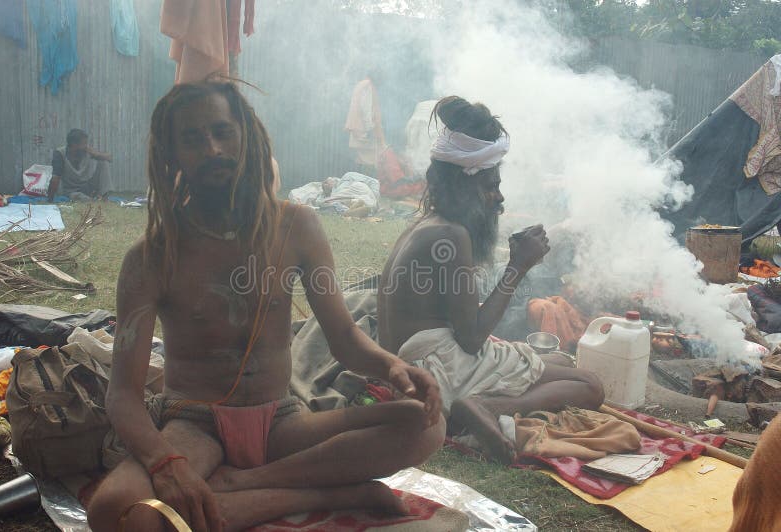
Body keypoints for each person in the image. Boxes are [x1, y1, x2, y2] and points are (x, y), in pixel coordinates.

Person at [86, 80, 444, 532]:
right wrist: (165, 464)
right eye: (193, 139)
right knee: (112, 514)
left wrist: (392, 367)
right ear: (172, 154)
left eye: (222, 131)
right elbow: (123, 395)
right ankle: (329, 493)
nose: (213, 148)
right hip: (195, 425)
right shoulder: (151, 257)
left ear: (246, 136)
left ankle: (245, 484)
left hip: (282, 421)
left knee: (425, 423)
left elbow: (345, 338)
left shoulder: (297, 226)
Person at [377, 96, 604, 464]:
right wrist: (519, 266)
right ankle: (482, 405)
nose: (498, 198)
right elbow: (470, 339)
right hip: (437, 372)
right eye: (490, 186)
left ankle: (479, 403)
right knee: (589, 384)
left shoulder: (426, 226)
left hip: (412, 371)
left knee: (558, 367)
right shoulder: (452, 236)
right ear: (464, 185)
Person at [48, 129, 113, 202]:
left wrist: (97, 155)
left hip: (87, 186)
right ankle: (92, 200)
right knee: (80, 197)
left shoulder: (87, 150)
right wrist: (50, 200)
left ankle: (104, 197)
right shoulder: (60, 154)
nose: (86, 145)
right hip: (71, 191)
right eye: (84, 143)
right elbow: (55, 179)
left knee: (103, 162)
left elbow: (110, 158)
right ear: (74, 144)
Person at [344, 73, 386, 175]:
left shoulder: (361, 85)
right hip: (365, 132)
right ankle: (366, 187)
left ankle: (359, 186)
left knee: (361, 159)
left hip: (358, 130)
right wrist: (370, 128)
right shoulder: (368, 86)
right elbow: (366, 109)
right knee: (370, 161)